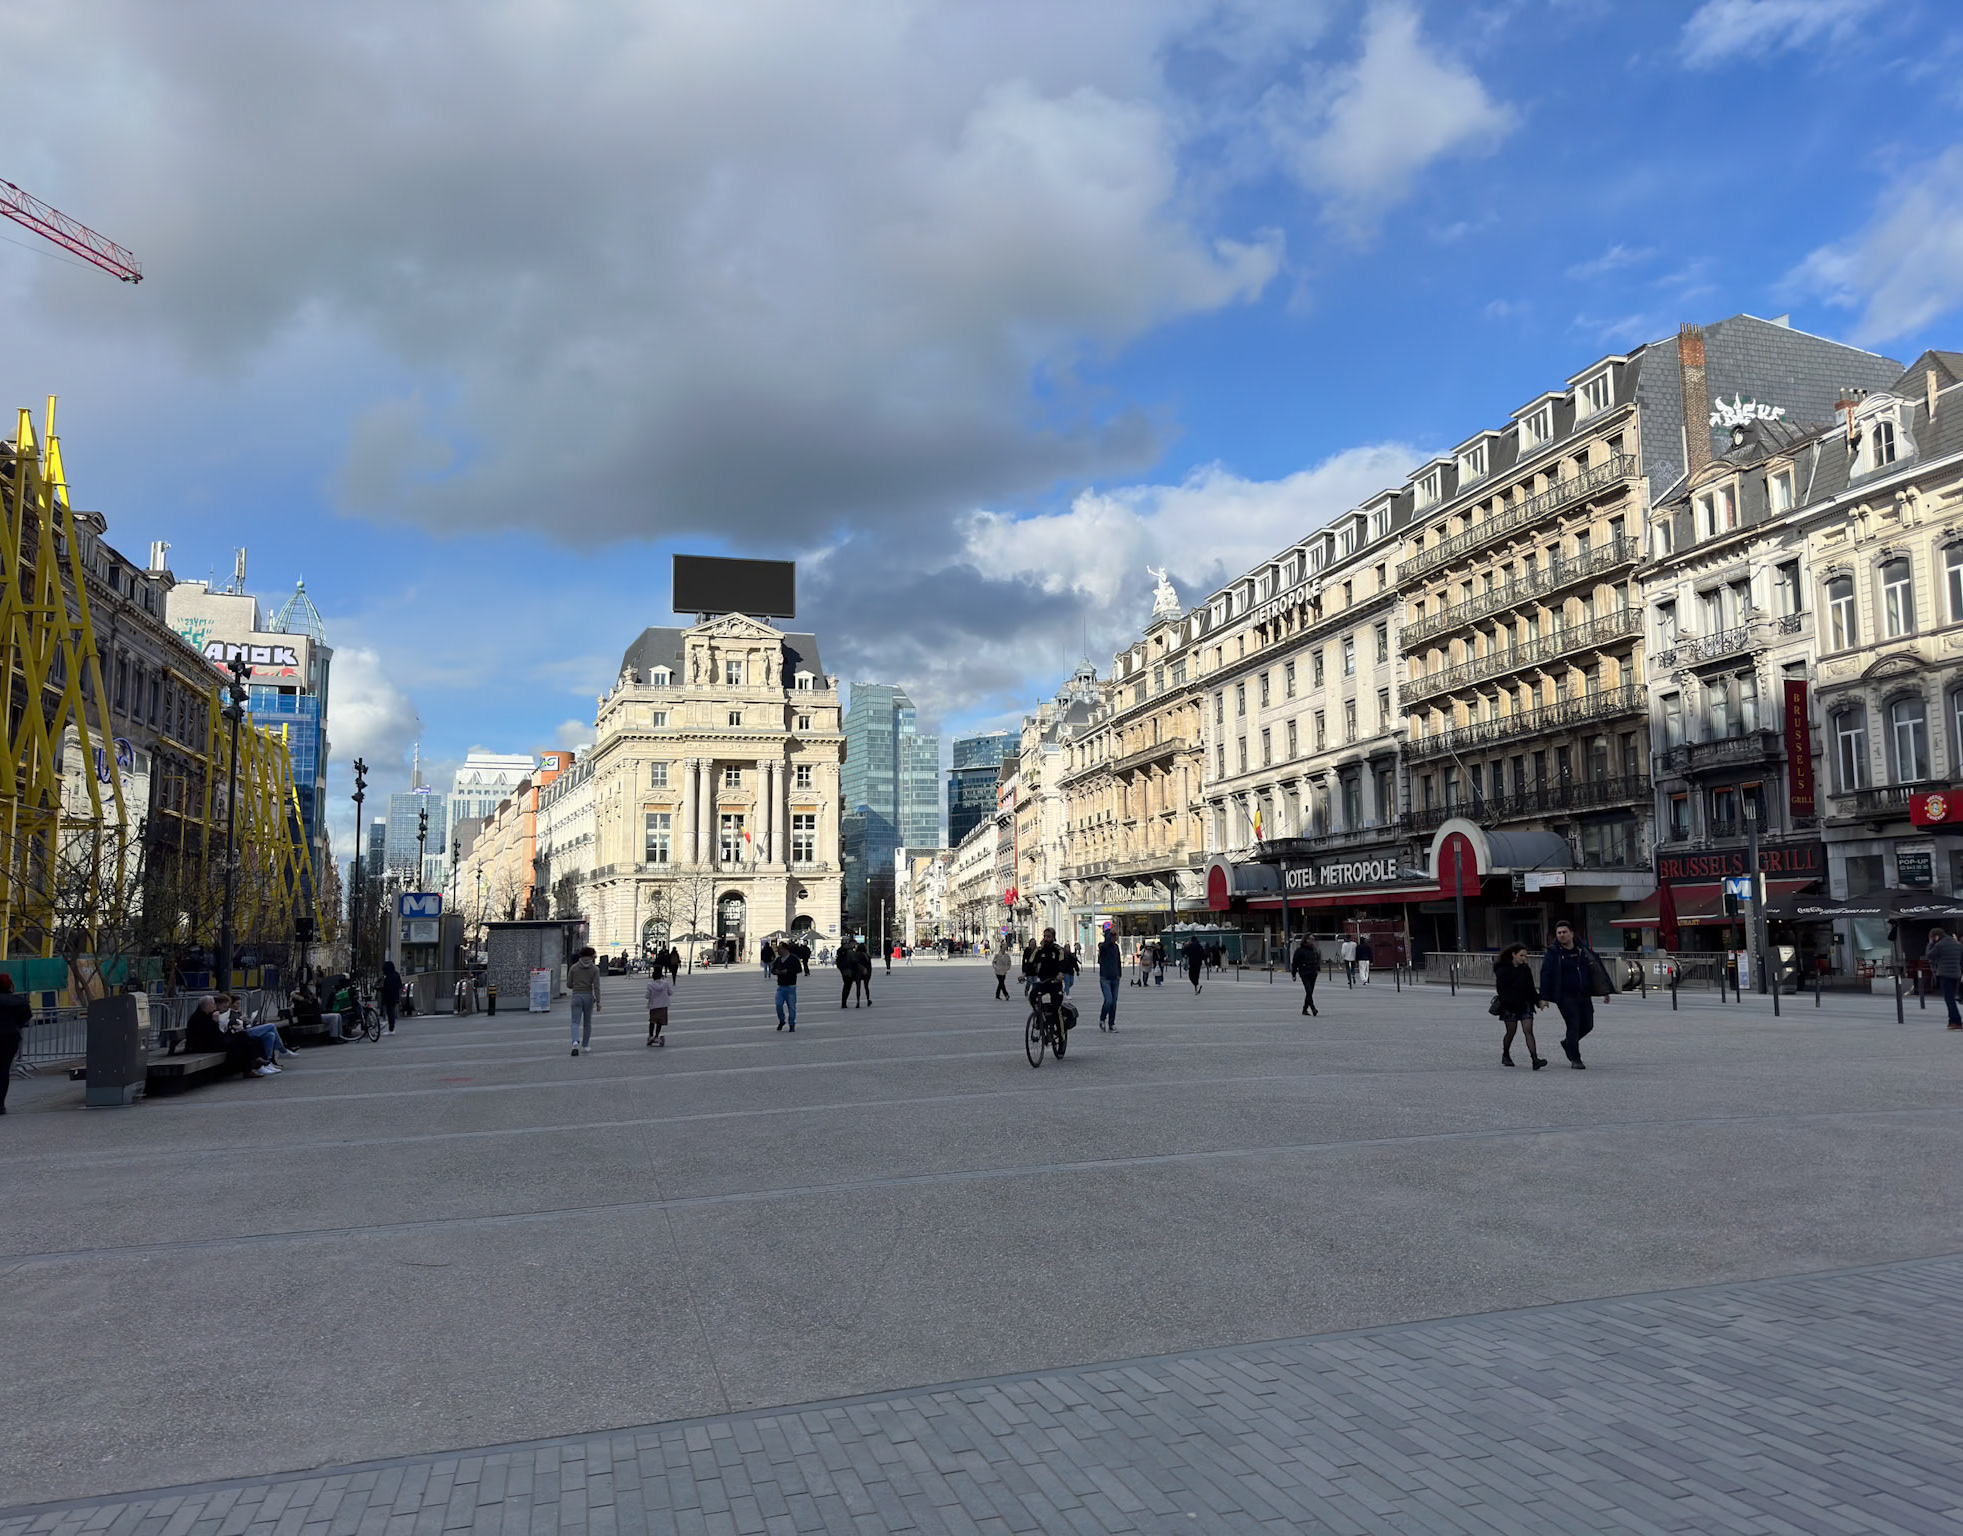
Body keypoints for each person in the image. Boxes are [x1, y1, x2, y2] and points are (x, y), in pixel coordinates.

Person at [1538, 919, 1607, 1069]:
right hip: (1565, 996)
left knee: (1588, 1025)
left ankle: (1568, 1042)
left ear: (1571, 934)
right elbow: (1545, 974)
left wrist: (1605, 990)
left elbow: (1596, 969)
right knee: (1573, 1025)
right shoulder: (1553, 953)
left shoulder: (1583, 950)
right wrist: (1543, 997)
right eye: (1559, 933)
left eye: (1564, 932)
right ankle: (1576, 1058)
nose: (1561, 935)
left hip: (1583, 993)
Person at [186, 994, 271, 1077]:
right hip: (204, 1045)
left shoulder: (208, 1014)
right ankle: (248, 1068)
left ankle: (255, 1060)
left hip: (214, 1041)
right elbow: (210, 1034)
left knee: (243, 1035)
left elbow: (215, 1033)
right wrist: (214, 1021)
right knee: (238, 1043)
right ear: (206, 1006)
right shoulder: (198, 1017)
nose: (214, 1007)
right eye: (212, 1005)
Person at [1493, 943, 1546, 1069]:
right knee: (1511, 1032)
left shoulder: (1525, 969)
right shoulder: (1503, 970)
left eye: (1525, 956)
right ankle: (1506, 1054)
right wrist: (1509, 1001)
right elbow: (1501, 990)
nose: (1524, 958)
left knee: (1528, 1030)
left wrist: (1538, 1001)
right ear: (1514, 955)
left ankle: (1535, 1059)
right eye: (1521, 955)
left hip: (1525, 1003)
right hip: (1510, 1005)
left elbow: (1531, 988)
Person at [0, 974, 29, 1112]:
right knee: (4, 1069)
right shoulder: (19, 1001)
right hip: (10, 1037)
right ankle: (0, 1104)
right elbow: (24, 1020)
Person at [567, 946, 602, 1056]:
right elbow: (596, 986)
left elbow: (568, 984)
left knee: (575, 1021)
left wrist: (576, 986)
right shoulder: (595, 969)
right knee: (587, 1022)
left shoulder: (574, 968)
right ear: (592, 956)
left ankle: (575, 1042)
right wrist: (598, 1001)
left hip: (576, 996)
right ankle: (585, 1045)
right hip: (588, 996)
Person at [1929, 927, 1963, 1029]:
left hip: (1945, 974)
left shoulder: (1940, 945)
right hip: (1956, 974)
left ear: (1936, 936)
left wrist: (1931, 943)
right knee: (1951, 997)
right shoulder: (1957, 944)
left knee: (1949, 999)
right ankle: (1951, 1020)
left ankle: (1956, 1021)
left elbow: (1930, 955)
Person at [1096, 925, 1122, 1031]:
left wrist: (1119, 973)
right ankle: (1102, 1019)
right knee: (1108, 1000)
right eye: (1112, 935)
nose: (1114, 937)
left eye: (1115, 935)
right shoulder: (1103, 947)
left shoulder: (1116, 947)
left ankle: (1111, 1023)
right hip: (1105, 977)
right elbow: (1104, 946)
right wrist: (1109, 934)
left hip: (1115, 977)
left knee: (1114, 1003)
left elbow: (1118, 961)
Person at [772, 942, 801, 1032]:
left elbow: (798, 969)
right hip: (780, 986)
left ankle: (792, 1024)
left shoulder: (793, 958)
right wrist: (776, 971)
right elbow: (773, 969)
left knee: (791, 1006)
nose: (778, 951)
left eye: (780, 949)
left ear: (785, 949)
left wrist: (787, 971)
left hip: (791, 986)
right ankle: (782, 1020)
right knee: (778, 1004)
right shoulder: (778, 959)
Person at [1290, 935, 1321, 1016]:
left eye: (1313, 939)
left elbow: (1317, 959)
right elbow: (1295, 962)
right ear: (1306, 940)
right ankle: (1313, 1008)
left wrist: (1318, 969)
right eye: (1310, 939)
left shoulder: (1315, 949)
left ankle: (1304, 1009)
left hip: (1313, 972)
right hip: (1304, 972)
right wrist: (1293, 974)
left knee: (1310, 992)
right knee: (1309, 990)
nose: (1312, 941)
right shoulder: (1300, 950)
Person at [646, 967, 674, 1045]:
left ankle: (651, 1035)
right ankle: (656, 1036)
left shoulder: (650, 984)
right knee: (660, 1022)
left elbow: (647, 996)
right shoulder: (665, 983)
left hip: (653, 1005)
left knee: (652, 1021)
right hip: (663, 1005)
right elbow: (670, 992)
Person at [379, 960, 403, 1033]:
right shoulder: (396, 974)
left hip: (388, 996)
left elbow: (386, 987)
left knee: (389, 1012)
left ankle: (391, 1027)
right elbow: (400, 985)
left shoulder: (387, 977)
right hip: (395, 995)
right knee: (391, 1011)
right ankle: (391, 1026)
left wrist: (380, 989)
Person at [837, 939, 860, 1009]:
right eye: (854, 944)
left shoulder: (842, 950)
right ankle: (844, 1003)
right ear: (850, 943)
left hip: (843, 970)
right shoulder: (849, 951)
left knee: (846, 986)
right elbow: (853, 961)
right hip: (849, 971)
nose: (855, 945)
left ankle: (843, 1002)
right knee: (847, 986)